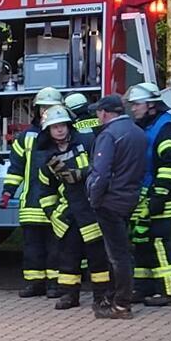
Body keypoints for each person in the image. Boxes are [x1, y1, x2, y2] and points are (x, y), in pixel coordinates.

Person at [37, 105, 110, 309]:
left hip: (91, 211)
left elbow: (101, 169)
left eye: (62, 125)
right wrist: (53, 214)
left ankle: (101, 296)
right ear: (48, 131)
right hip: (68, 215)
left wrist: (82, 174)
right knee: (69, 257)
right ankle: (69, 296)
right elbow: (45, 191)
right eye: (54, 127)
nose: (59, 130)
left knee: (98, 258)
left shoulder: (86, 143)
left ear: (69, 126)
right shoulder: (48, 160)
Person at [85, 94, 148, 319]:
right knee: (121, 251)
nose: (96, 116)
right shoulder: (138, 132)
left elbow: (101, 173)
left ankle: (120, 304)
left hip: (109, 202)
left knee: (116, 255)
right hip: (129, 198)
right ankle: (115, 299)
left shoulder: (109, 135)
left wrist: (93, 197)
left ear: (104, 113)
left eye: (98, 113)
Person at [127, 82, 171, 306]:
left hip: (161, 199)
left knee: (159, 245)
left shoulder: (167, 128)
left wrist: (158, 197)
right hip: (145, 198)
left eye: (137, 104)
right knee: (142, 244)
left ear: (151, 105)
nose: (133, 109)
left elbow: (170, 165)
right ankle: (143, 288)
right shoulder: (148, 126)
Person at [0, 108, 55, 296]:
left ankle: (55, 285)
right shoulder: (25, 137)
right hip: (32, 203)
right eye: (44, 108)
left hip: (55, 205)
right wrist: (7, 193)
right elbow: (16, 168)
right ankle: (35, 283)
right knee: (33, 248)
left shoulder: (63, 135)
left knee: (55, 247)